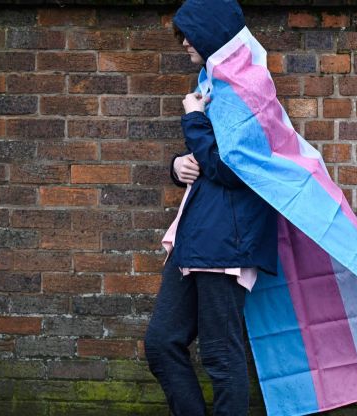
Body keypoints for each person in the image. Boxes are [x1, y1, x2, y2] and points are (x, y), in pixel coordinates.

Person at [143, 1, 277, 415]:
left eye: (190, 33)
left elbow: (231, 169)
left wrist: (193, 119)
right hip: (199, 233)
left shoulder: (250, 88)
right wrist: (177, 165)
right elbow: (206, 162)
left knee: (221, 356)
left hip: (227, 240)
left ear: (213, 33)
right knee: (162, 342)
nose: (184, 42)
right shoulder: (213, 83)